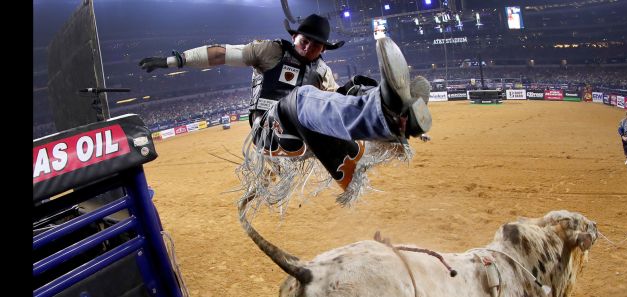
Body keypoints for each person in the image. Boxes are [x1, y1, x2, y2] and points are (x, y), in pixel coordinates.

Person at [138, 15, 431, 198]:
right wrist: (175, 60)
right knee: (301, 98)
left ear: (323, 49)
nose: (309, 49)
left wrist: (353, 90)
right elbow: (222, 53)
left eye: (316, 46)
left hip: (304, 138)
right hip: (270, 131)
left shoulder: (322, 70)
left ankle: (396, 113)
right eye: (305, 42)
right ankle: (382, 114)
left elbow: (335, 102)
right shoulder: (270, 51)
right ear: (294, 37)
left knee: (349, 88)